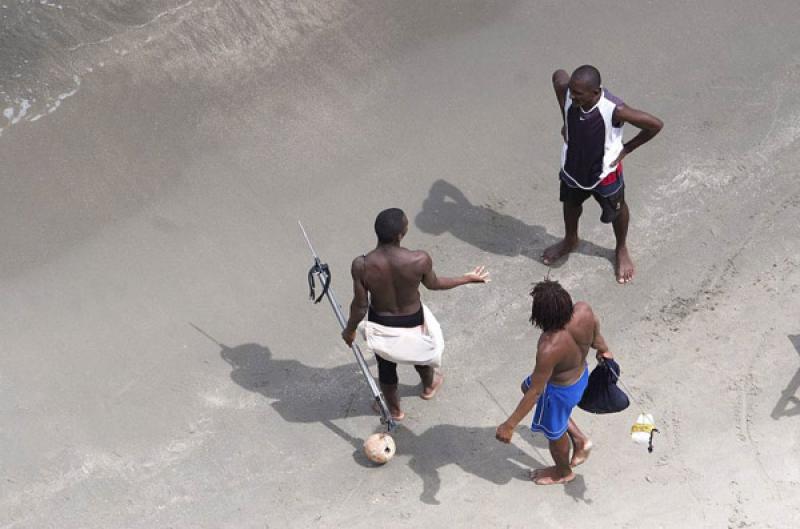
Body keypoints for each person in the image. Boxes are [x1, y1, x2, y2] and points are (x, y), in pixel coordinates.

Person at [342, 208, 489, 420]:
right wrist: (466, 278)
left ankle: (394, 410)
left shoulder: (362, 265)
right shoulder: (419, 259)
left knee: (385, 366)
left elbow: (360, 306)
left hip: (382, 320)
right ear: (400, 235)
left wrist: (350, 330)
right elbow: (435, 284)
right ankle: (429, 386)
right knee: (420, 354)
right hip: (412, 317)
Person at [542, 65, 663, 284]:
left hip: (604, 173)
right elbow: (558, 75)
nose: (572, 97)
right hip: (572, 167)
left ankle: (621, 248)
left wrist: (627, 148)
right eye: (572, 92)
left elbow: (655, 125)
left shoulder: (615, 109)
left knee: (617, 211)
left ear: (596, 92)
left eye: (578, 94)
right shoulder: (568, 91)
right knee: (570, 205)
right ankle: (570, 239)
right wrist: (566, 120)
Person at [495, 279, 613, 485]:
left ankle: (563, 472)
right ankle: (580, 440)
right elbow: (596, 338)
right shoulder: (583, 311)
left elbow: (536, 392)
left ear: (540, 316)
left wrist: (509, 425)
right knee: (526, 385)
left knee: (555, 433)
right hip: (580, 374)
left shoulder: (549, 347)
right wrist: (604, 350)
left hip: (559, 392)